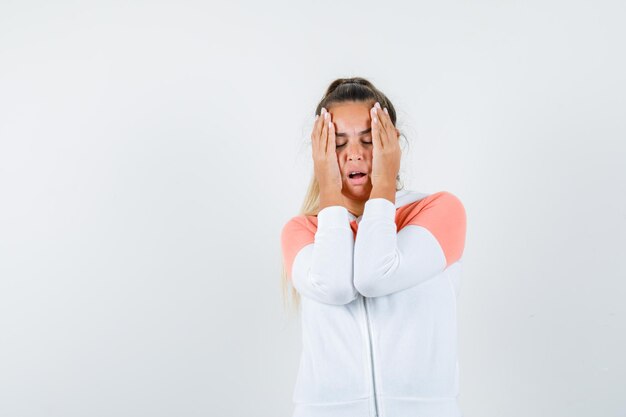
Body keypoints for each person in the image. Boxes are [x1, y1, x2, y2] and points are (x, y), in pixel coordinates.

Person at [280, 77, 467, 417]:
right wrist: (330, 196)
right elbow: (335, 285)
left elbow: (375, 275)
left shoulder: (439, 212)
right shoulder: (304, 230)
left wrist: (383, 184)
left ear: (392, 145)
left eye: (369, 141)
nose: (354, 154)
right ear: (319, 154)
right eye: (337, 144)